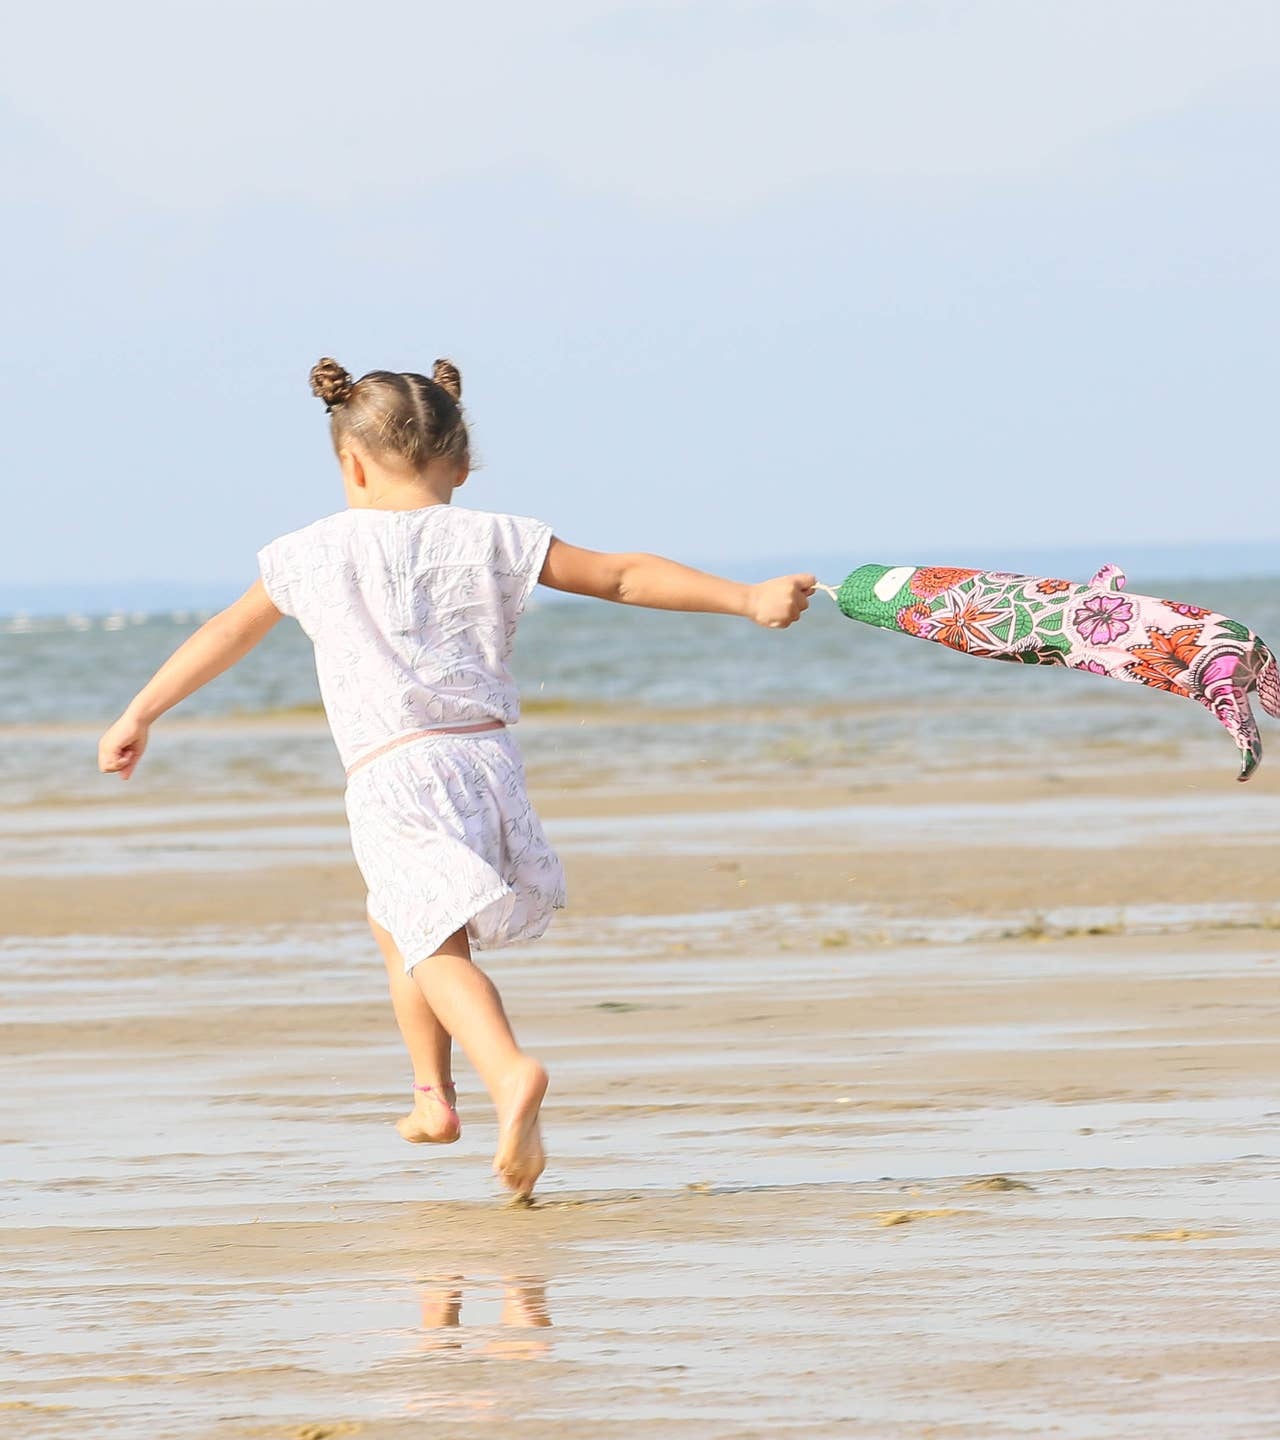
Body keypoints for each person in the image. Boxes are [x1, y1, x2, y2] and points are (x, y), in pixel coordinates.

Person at [98, 357, 814, 1200]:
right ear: (462, 464)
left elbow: (229, 631)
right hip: (486, 766)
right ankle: (432, 1099)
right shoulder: (495, 535)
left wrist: (141, 711)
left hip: (393, 772)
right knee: (399, 922)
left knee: (431, 943)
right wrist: (745, 597)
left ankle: (507, 1071)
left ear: (349, 465)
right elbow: (622, 575)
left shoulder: (309, 551)